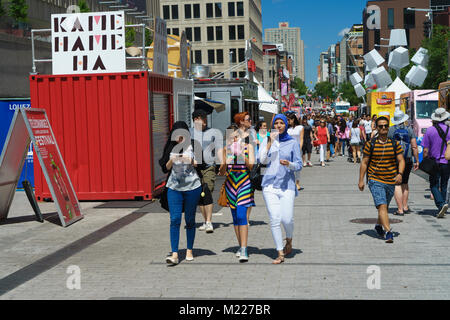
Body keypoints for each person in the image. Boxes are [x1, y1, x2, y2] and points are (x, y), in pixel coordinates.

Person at [259, 114, 302, 264]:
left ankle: (289, 239)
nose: (278, 125)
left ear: (286, 125)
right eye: (276, 123)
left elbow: (299, 164)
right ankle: (280, 252)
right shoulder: (268, 140)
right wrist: (269, 142)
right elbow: (262, 160)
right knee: (275, 218)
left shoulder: (292, 143)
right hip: (269, 185)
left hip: (287, 186)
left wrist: (289, 164)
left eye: (281, 123)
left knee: (287, 218)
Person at [159, 121, 204, 265]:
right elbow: (164, 168)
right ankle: (174, 254)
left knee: (190, 220)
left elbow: (201, 164)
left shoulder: (194, 145)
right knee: (175, 219)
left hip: (192, 187)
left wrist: (190, 159)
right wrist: (172, 160)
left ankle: (189, 249)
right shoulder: (171, 146)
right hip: (174, 188)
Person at [359, 116, 405, 243]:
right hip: (375, 179)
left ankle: (379, 226)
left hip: (391, 180)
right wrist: (361, 180)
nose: (383, 128)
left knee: (383, 207)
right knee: (382, 205)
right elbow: (364, 162)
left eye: (385, 126)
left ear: (388, 127)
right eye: (381, 126)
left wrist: (400, 174)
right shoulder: (370, 144)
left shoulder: (394, 144)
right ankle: (388, 232)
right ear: (376, 128)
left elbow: (401, 160)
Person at [219, 124, 255, 262]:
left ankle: (244, 249)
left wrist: (240, 154)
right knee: (235, 217)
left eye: (236, 136)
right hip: (230, 184)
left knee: (242, 215)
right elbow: (221, 173)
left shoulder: (248, 147)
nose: (234, 139)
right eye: (231, 137)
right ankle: (241, 246)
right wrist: (224, 164)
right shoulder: (224, 150)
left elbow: (251, 165)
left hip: (244, 183)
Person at [388, 110, 420, 216]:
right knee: (405, 183)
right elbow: (414, 146)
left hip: (395, 160)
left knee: (397, 183)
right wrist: (416, 160)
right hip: (407, 159)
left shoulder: (391, 130)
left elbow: (387, 146)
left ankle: (400, 209)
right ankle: (405, 207)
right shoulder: (409, 129)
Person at [190, 109, 217, 233]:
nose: (206, 122)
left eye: (206, 120)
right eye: (203, 119)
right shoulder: (188, 133)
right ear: (196, 119)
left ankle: (209, 222)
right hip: (194, 168)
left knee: (207, 191)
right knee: (199, 195)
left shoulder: (211, 133)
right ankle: (205, 221)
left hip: (208, 167)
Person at [422, 108, 450, 218]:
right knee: (444, 184)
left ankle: (441, 204)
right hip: (447, 162)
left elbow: (425, 150)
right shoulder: (449, 129)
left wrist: (425, 160)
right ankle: (443, 205)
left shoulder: (430, 130)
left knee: (433, 185)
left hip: (434, 162)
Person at [287, 113, 304, 190]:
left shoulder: (300, 127)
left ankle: (297, 183)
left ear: (293, 119)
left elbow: (301, 139)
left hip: (297, 148)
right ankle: (290, 182)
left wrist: (299, 149)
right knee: (289, 166)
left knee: (297, 167)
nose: (288, 121)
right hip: (289, 149)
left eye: (289, 120)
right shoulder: (288, 129)